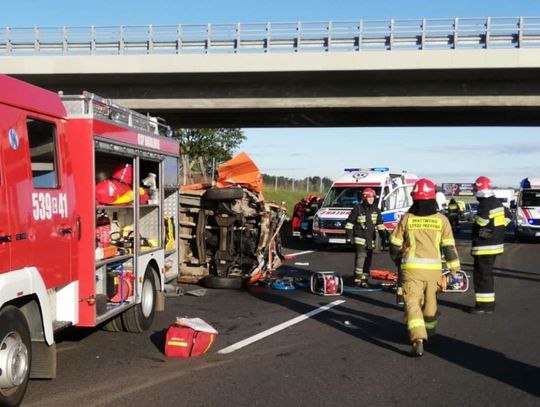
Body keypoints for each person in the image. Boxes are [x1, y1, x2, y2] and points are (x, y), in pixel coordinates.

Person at [389, 178, 460, 357]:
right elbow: (449, 248)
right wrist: (454, 270)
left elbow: (394, 243)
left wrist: (397, 259)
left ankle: (417, 338)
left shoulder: (407, 218)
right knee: (430, 304)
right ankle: (430, 331)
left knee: (412, 304)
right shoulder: (442, 220)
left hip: (411, 270)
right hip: (434, 272)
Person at [469, 176, 511, 315]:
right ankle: (487, 304)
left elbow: (481, 222)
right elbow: (508, 216)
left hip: (484, 246)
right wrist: (497, 229)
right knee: (486, 275)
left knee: (481, 276)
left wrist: (475, 219)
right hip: (495, 245)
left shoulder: (485, 204)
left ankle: (484, 306)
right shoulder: (497, 202)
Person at [344, 188, 386, 287]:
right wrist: (349, 236)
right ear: (364, 198)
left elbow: (380, 225)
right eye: (369, 197)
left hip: (370, 240)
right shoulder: (357, 209)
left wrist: (384, 236)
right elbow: (349, 224)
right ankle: (357, 279)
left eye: (372, 197)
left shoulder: (376, 210)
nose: (371, 199)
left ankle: (364, 279)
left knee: (368, 261)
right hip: (359, 238)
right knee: (361, 258)